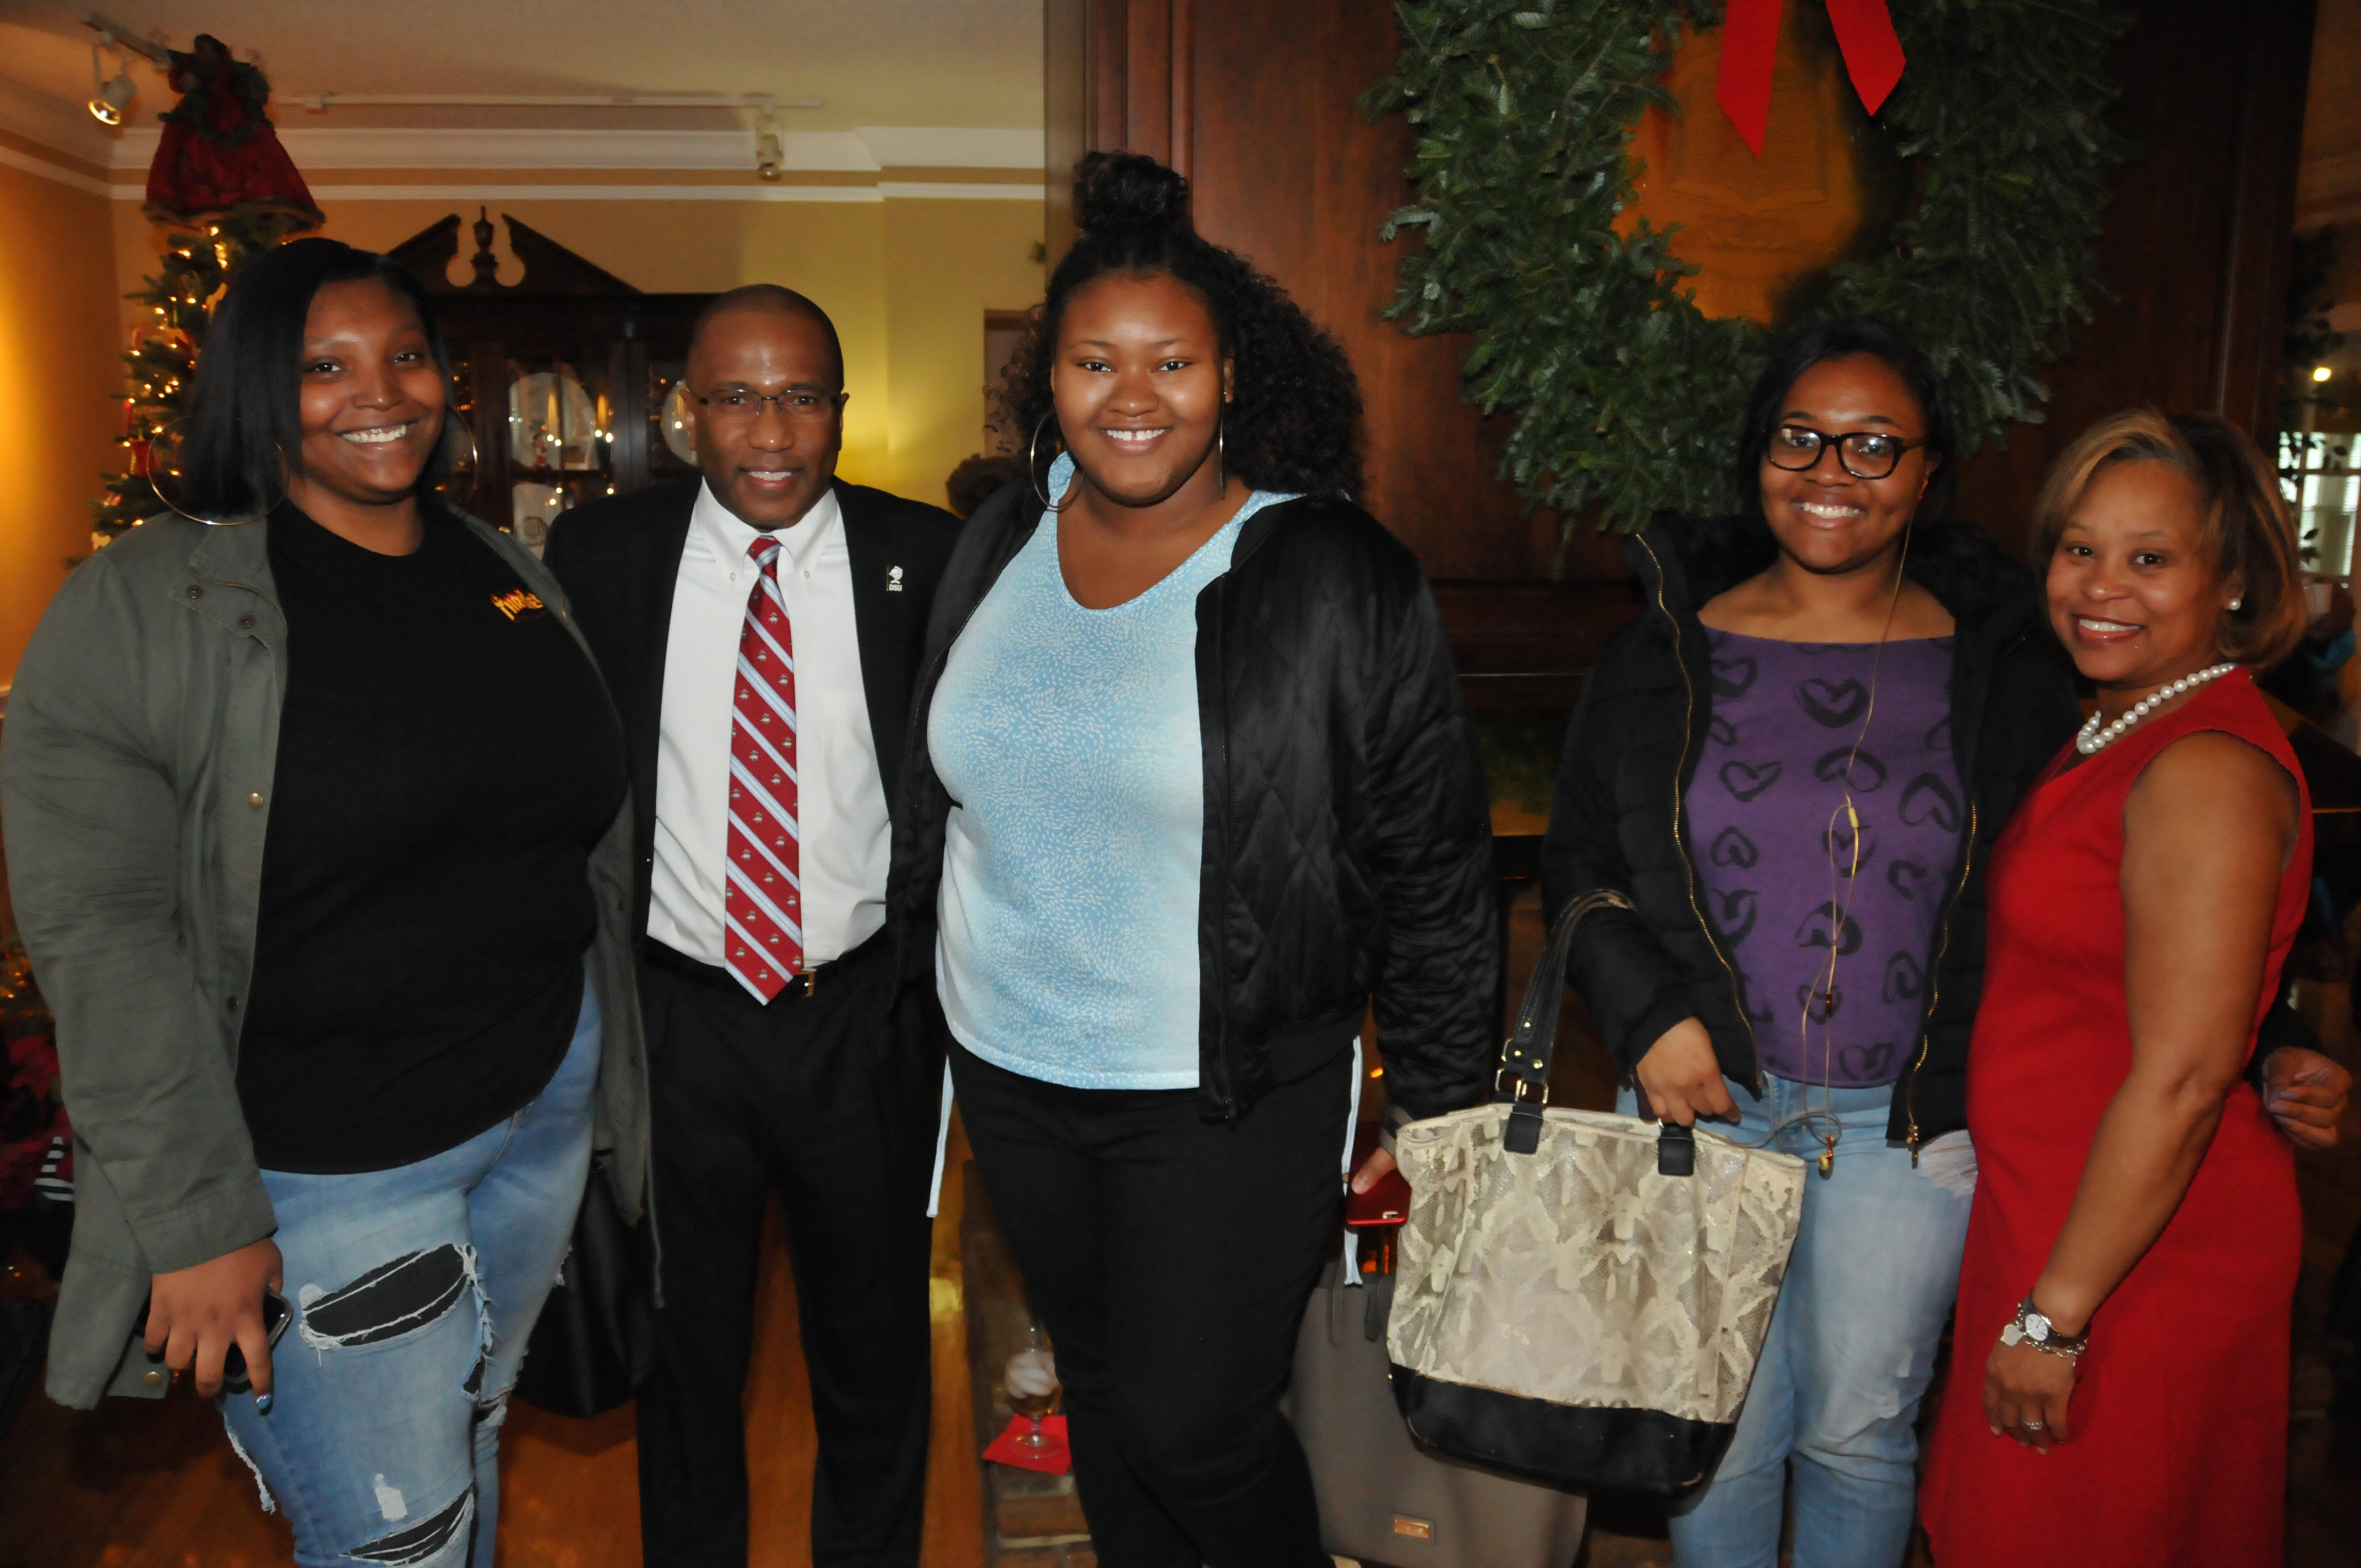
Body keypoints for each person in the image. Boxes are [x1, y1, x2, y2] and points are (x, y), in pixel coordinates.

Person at [1540, 322, 2348, 1568]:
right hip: (1706, 1105)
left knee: (1861, 1432)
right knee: (1721, 1430)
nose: (1830, 469)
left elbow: (2152, 912)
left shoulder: (2014, 664)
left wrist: (2273, 1035)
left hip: (1912, 1126)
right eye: (1798, 437)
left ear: (1926, 472)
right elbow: (1580, 862)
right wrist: (1645, 1012)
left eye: (1873, 445)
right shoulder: (1660, 650)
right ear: (1757, 454)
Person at [884, 152, 1497, 1565]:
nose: (1133, 394)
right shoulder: (998, 541)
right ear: (1050, 380)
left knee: (1192, 1424)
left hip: (1221, 1086)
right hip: (1016, 1068)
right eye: (1094, 361)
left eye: (1172, 360)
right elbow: (945, 799)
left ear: (1234, 376)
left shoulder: (1331, 572)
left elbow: (1429, 865)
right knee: (1098, 1391)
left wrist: (1439, 1107)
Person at [0, 237, 647, 1568]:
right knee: (394, 1536)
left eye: (405, 355)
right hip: (333, 1167)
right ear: (254, 386)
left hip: (536, 1102)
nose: (382, 391)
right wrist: (200, 1217)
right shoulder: (143, 608)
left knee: (464, 1440)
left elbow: (570, 828)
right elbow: (102, 935)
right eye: (325, 366)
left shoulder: (491, 563)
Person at [545, 285, 960, 1568]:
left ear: (839, 410)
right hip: (676, 1023)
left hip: (862, 1017)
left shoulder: (930, 554)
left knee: (875, 1356)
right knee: (686, 1358)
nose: (767, 428)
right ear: (686, 413)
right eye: (734, 395)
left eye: (798, 395)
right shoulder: (598, 557)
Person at [1921, 411, 2319, 1566]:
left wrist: (2055, 1312)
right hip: (2059, 1219)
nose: (2099, 585)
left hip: (2132, 1259)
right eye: (2077, 547)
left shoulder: (2198, 764)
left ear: (2233, 581)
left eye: (2150, 558)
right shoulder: (2119, 723)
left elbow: (2189, 1074)